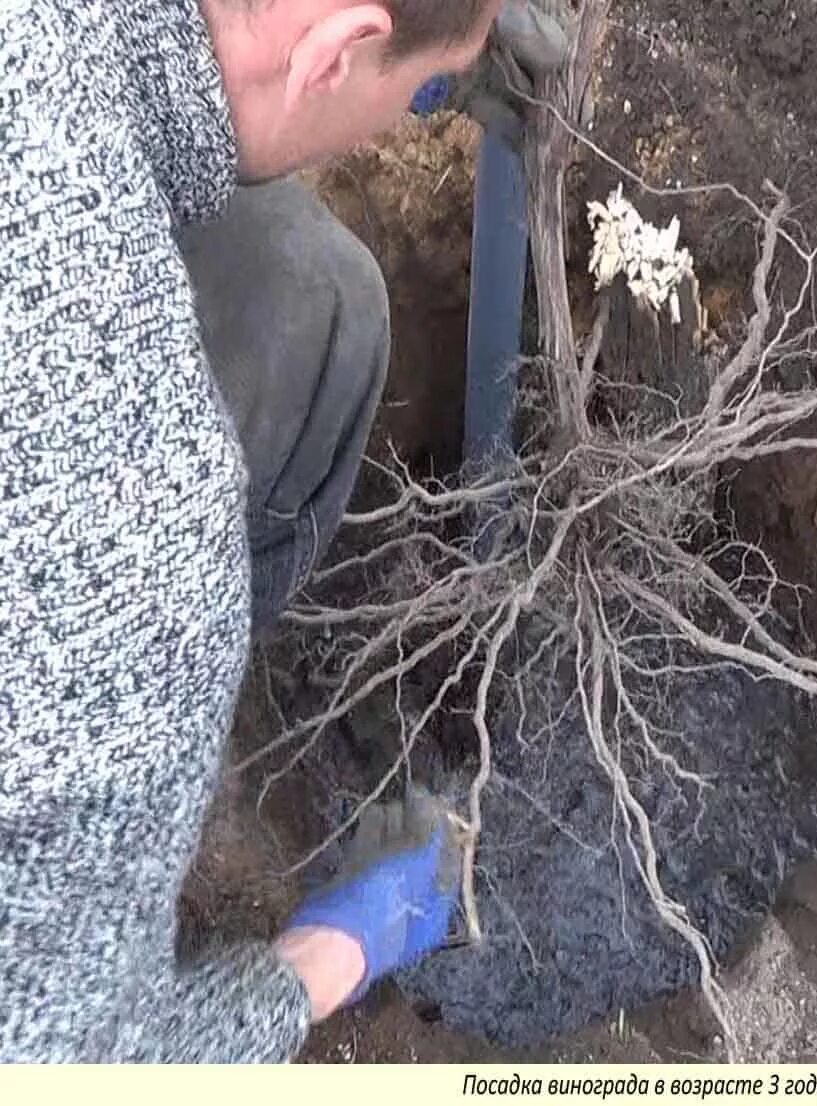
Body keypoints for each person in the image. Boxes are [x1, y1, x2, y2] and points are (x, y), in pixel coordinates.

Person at [0, 0, 562, 1062]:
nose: (405, 118)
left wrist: (438, 50)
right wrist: (331, 951)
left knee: (307, 295)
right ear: (333, 48)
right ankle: (119, 839)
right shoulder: (136, 543)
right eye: (403, 100)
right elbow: (60, 1065)